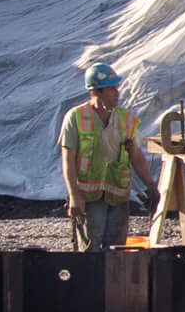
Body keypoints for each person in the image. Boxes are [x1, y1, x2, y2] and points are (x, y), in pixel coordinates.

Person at [61, 62, 157, 249]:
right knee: (92, 250)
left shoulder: (125, 118)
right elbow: (68, 159)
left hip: (118, 196)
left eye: (116, 87)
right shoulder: (76, 117)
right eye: (111, 89)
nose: (117, 93)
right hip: (89, 198)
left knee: (117, 250)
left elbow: (136, 156)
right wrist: (74, 195)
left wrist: (150, 185)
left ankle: (115, 279)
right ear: (96, 92)